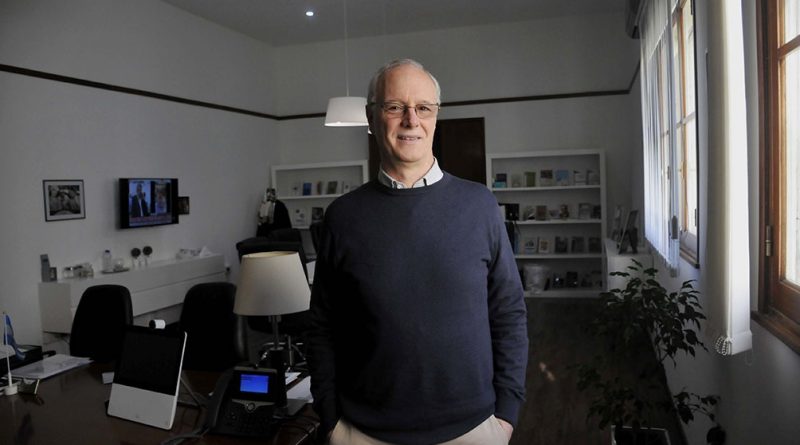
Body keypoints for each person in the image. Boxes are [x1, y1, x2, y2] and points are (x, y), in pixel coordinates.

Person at [308, 59, 528, 445]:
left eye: (423, 108)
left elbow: (508, 313)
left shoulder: (480, 206)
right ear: (371, 117)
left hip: (474, 429)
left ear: (436, 116)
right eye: (395, 107)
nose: (411, 120)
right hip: (363, 431)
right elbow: (323, 326)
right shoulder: (342, 217)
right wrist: (330, 418)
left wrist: (506, 413)